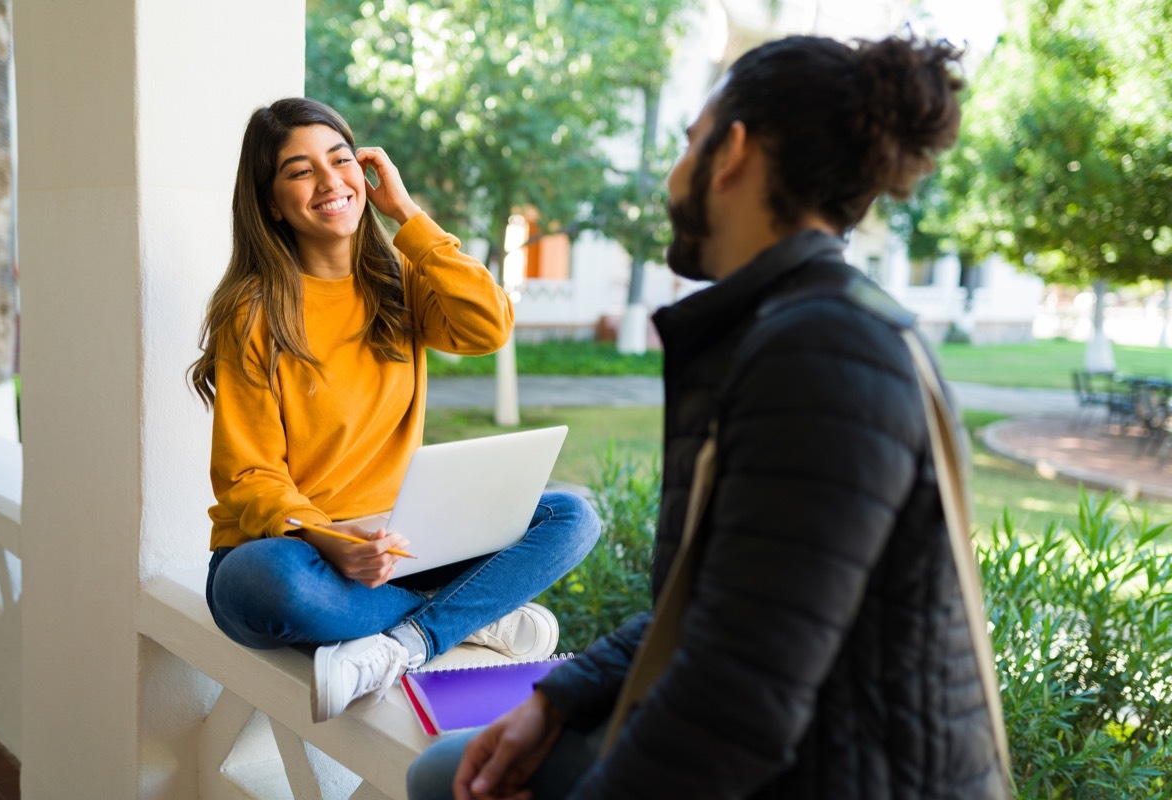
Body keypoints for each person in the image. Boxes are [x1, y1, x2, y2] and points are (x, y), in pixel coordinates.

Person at [407, 34, 1009, 800]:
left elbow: (738, 705)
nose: (672, 175)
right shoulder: (805, 327)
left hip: (842, 771)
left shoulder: (819, 355)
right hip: (807, 747)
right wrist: (560, 697)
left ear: (732, 153)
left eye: (688, 144)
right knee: (443, 772)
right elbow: (725, 606)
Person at [189, 98, 600, 724]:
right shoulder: (253, 312)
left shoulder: (400, 282)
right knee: (266, 584)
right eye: (300, 171)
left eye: (341, 159)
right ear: (272, 201)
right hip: (297, 549)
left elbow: (489, 326)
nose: (330, 182)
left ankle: (409, 641)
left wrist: (407, 214)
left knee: (571, 516)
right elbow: (249, 477)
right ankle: (471, 613)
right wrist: (331, 538)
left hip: (405, 541)